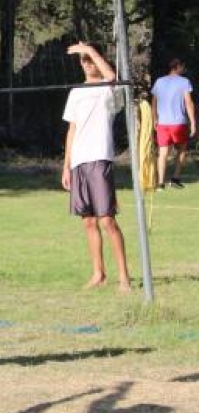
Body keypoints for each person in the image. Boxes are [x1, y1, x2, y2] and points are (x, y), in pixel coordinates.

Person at [61, 42, 131, 293]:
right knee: (88, 222)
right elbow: (72, 129)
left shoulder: (107, 89)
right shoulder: (76, 92)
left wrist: (90, 50)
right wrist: (66, 165)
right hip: (79, 162)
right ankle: (98, 273)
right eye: (83, 60)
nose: (87, 63)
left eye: (90, 59)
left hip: (100, 158)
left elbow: (111, 76)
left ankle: (124, 277)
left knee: (107, 221)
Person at [150, 58, 196, 189]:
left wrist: (155, 119)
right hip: (179, 123)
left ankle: (160, 184)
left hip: (163, 124)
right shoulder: (184, 82)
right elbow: (189, 103)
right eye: (182, 67)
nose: (184, 69)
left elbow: (154, 103)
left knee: (163, 153)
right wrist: (193, 122)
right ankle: (175, 179)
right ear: (177, 67)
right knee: (181, 150)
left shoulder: (159, 81)